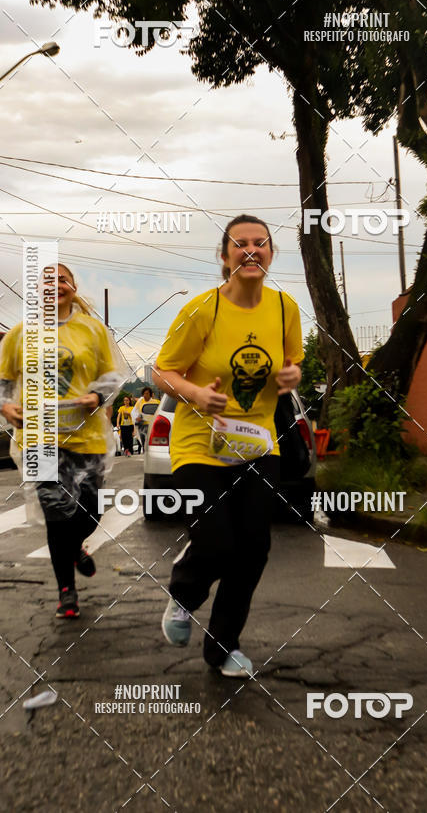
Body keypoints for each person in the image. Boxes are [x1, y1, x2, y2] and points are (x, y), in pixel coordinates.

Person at [153, 214, 303, 677]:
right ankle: (184, 593)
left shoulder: (284, 308)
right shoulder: (203, 309)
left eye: (261, 242)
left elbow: (293, 362)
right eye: (241, 244)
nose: (251, 250)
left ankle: (223, 648)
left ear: (272, 254)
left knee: (254, 546)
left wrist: (292, 376)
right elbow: (162, 371)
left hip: (257, 443)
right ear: (225, 257)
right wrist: (196, 394)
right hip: (200, 442)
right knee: (218, 542)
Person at [0, 263, 126, 618]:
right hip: (39, 438)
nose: (55, 286)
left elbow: (112, 374)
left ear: (72, 287)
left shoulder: (93, 330)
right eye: (47, 282)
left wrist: (96, 396)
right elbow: (2, 382)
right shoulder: (21, 334)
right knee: (55, 515)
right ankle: (66, 590)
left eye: (61, 280)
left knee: (90, 510)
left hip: (88, 436)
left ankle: (78, 546)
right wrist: (6, 406)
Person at [132, 386, 157, 452]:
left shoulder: (156, 402)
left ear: (151, 394)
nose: (145, 395)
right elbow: (134, 412)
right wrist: (137, 418)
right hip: (142, 425)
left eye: (147, 393)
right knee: (144, 443)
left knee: (151, 442)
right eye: (144, 393)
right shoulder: (140, 401)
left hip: (152, 425)